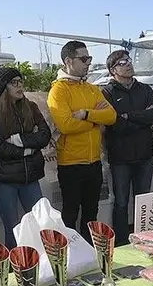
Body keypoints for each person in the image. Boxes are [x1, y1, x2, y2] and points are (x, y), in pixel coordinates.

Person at [47, 41, 117, 242]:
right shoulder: (58, 91)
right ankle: (69, 255)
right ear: (68, 61)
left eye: (90, 59)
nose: (88, 63)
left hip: (93, 162)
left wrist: (86, 114)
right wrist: (95, 121)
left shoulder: (91, 89)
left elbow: (111, 116)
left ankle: (89, 254)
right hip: (70, 164)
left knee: (91, 213)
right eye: (84, 59)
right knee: (70, 213)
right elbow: (66, 125)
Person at [0, 66, 52, 248]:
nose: (20, 86)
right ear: (4, 87)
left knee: (40, 225)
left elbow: (45, 135)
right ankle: (15, 271)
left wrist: (19, 140)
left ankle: (41, 266)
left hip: (30, 177)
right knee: (13, 229)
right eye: (14, 83)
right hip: (5, 179)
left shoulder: (31, 107)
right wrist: (27, 150)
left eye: (21, 81)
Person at [101, 50, 153, 245]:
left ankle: (144, 239)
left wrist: (129, 116)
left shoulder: (144, 89)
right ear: (113, 71)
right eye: (122, 62)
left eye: (128, 60)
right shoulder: (107, 93)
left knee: (143, 200)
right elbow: (115, 124)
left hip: (144, 155)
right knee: (121, 202)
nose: (128, 64)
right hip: (120, 158)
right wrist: (140, 117)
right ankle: (120, 243)